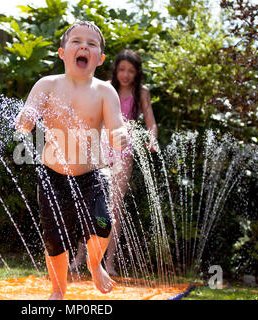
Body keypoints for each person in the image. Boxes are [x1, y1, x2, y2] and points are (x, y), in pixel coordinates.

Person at [14, 21, 129, 300]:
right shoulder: (48, 85)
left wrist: (120, 135)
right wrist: (24, 122)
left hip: (91, 173)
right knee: (55, 237)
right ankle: (58, 289)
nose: (83, 47)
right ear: (62, 52)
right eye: (76, 41)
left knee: (103, 222)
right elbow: (26, 119)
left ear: (99, 59)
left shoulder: (104, 91)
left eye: (91, 44)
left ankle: (94, 263)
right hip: (52, 175)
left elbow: (116, 125)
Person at [69, 49, 158, 276]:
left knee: (113, 211)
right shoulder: (106, 87)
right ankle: (80, 258)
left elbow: (151, 123)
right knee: (91, 206)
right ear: (115, 70)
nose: (126, 75)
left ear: (137, 72)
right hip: (99, 150)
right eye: (122, 70)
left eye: (131, 70)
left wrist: (152, 139)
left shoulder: (142, 93)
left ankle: (108, 264)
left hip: (123, 154)